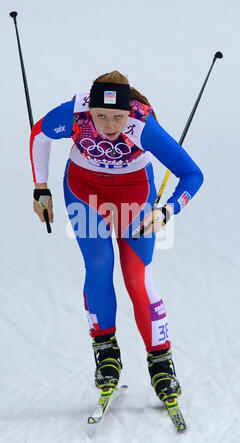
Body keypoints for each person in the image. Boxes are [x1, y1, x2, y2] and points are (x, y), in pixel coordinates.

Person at [30, 71, 204, 405]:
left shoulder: (143, 126)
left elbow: (192, 174)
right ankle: (106, 352)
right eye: (101, 116)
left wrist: (167, 210)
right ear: (89, 109)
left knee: (136, 278)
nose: (110, 125)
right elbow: (39, 134)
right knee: (98, 265)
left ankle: (161, 362)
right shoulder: (73, 115)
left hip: (134, 197)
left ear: (130, 111)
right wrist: (41, 188)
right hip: (84, 192)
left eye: (118, 117)